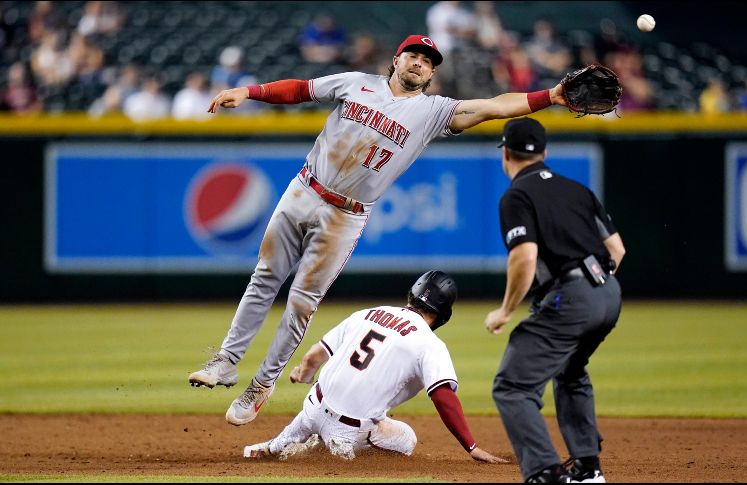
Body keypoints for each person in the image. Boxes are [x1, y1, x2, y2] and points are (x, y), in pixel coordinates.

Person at [189, 34, 569, 428]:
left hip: (346, 214)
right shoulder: (356, 83)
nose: (419, 62)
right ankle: (226, 362)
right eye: (413, 55)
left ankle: (261, 385)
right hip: (304, 188)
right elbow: (301, 90)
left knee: (302, 303)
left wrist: (550, 96)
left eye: (427, 59)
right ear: (397, 59)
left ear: (433, 72)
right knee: (264, 277)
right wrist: (249, 92)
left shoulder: (434, 111)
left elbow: (494, 106)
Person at [484, 117, 625, 483]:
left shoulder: (516, 195)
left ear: (506, 155)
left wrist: (505, 310)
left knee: (513, 386)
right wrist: (593, 288)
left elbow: (524, 257)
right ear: (544, 153)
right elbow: (617, 250)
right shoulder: (578, 189)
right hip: (608, 293)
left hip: (573, 295)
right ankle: (587, 468)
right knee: (571, 371)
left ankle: (545, 473)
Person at [241, 271, 507, 464]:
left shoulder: (368, 313)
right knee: (407, 440)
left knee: (307, 419)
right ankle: (334, 449)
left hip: (312, 406)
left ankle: (280, 443)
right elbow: (442, 396)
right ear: (443, 315)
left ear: (410, 295)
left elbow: (313, 357)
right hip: (349, 431)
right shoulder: (430, 343)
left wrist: (303, 374)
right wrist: (471, 446)